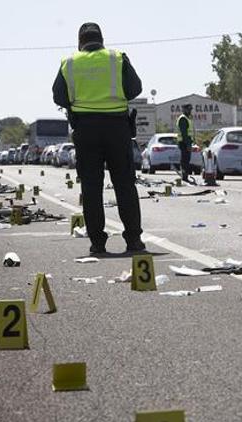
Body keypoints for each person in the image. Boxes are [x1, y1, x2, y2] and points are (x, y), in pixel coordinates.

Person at [52, 22, 145, 254]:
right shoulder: (117, 58)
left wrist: (80, 101)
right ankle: (133, 240)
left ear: (79, 42)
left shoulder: (70, 63)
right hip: (117, 128)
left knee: (92, 188)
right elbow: (135, 89)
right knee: (124, 185)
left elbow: (58, 96)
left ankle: (97, 242)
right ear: (102, 40)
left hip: (86, 129)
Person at [176, 103, 195, 183]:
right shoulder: (183, 119)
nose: (190, 111)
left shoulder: (187, 118)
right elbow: (184, 133)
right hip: (184, 142)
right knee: (185, 160)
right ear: (184, 109)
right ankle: (184, 176)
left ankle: (185, 175)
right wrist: (187, 144)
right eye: (188, 109)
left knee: (186, 160)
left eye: (190, 109)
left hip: (186, 142)